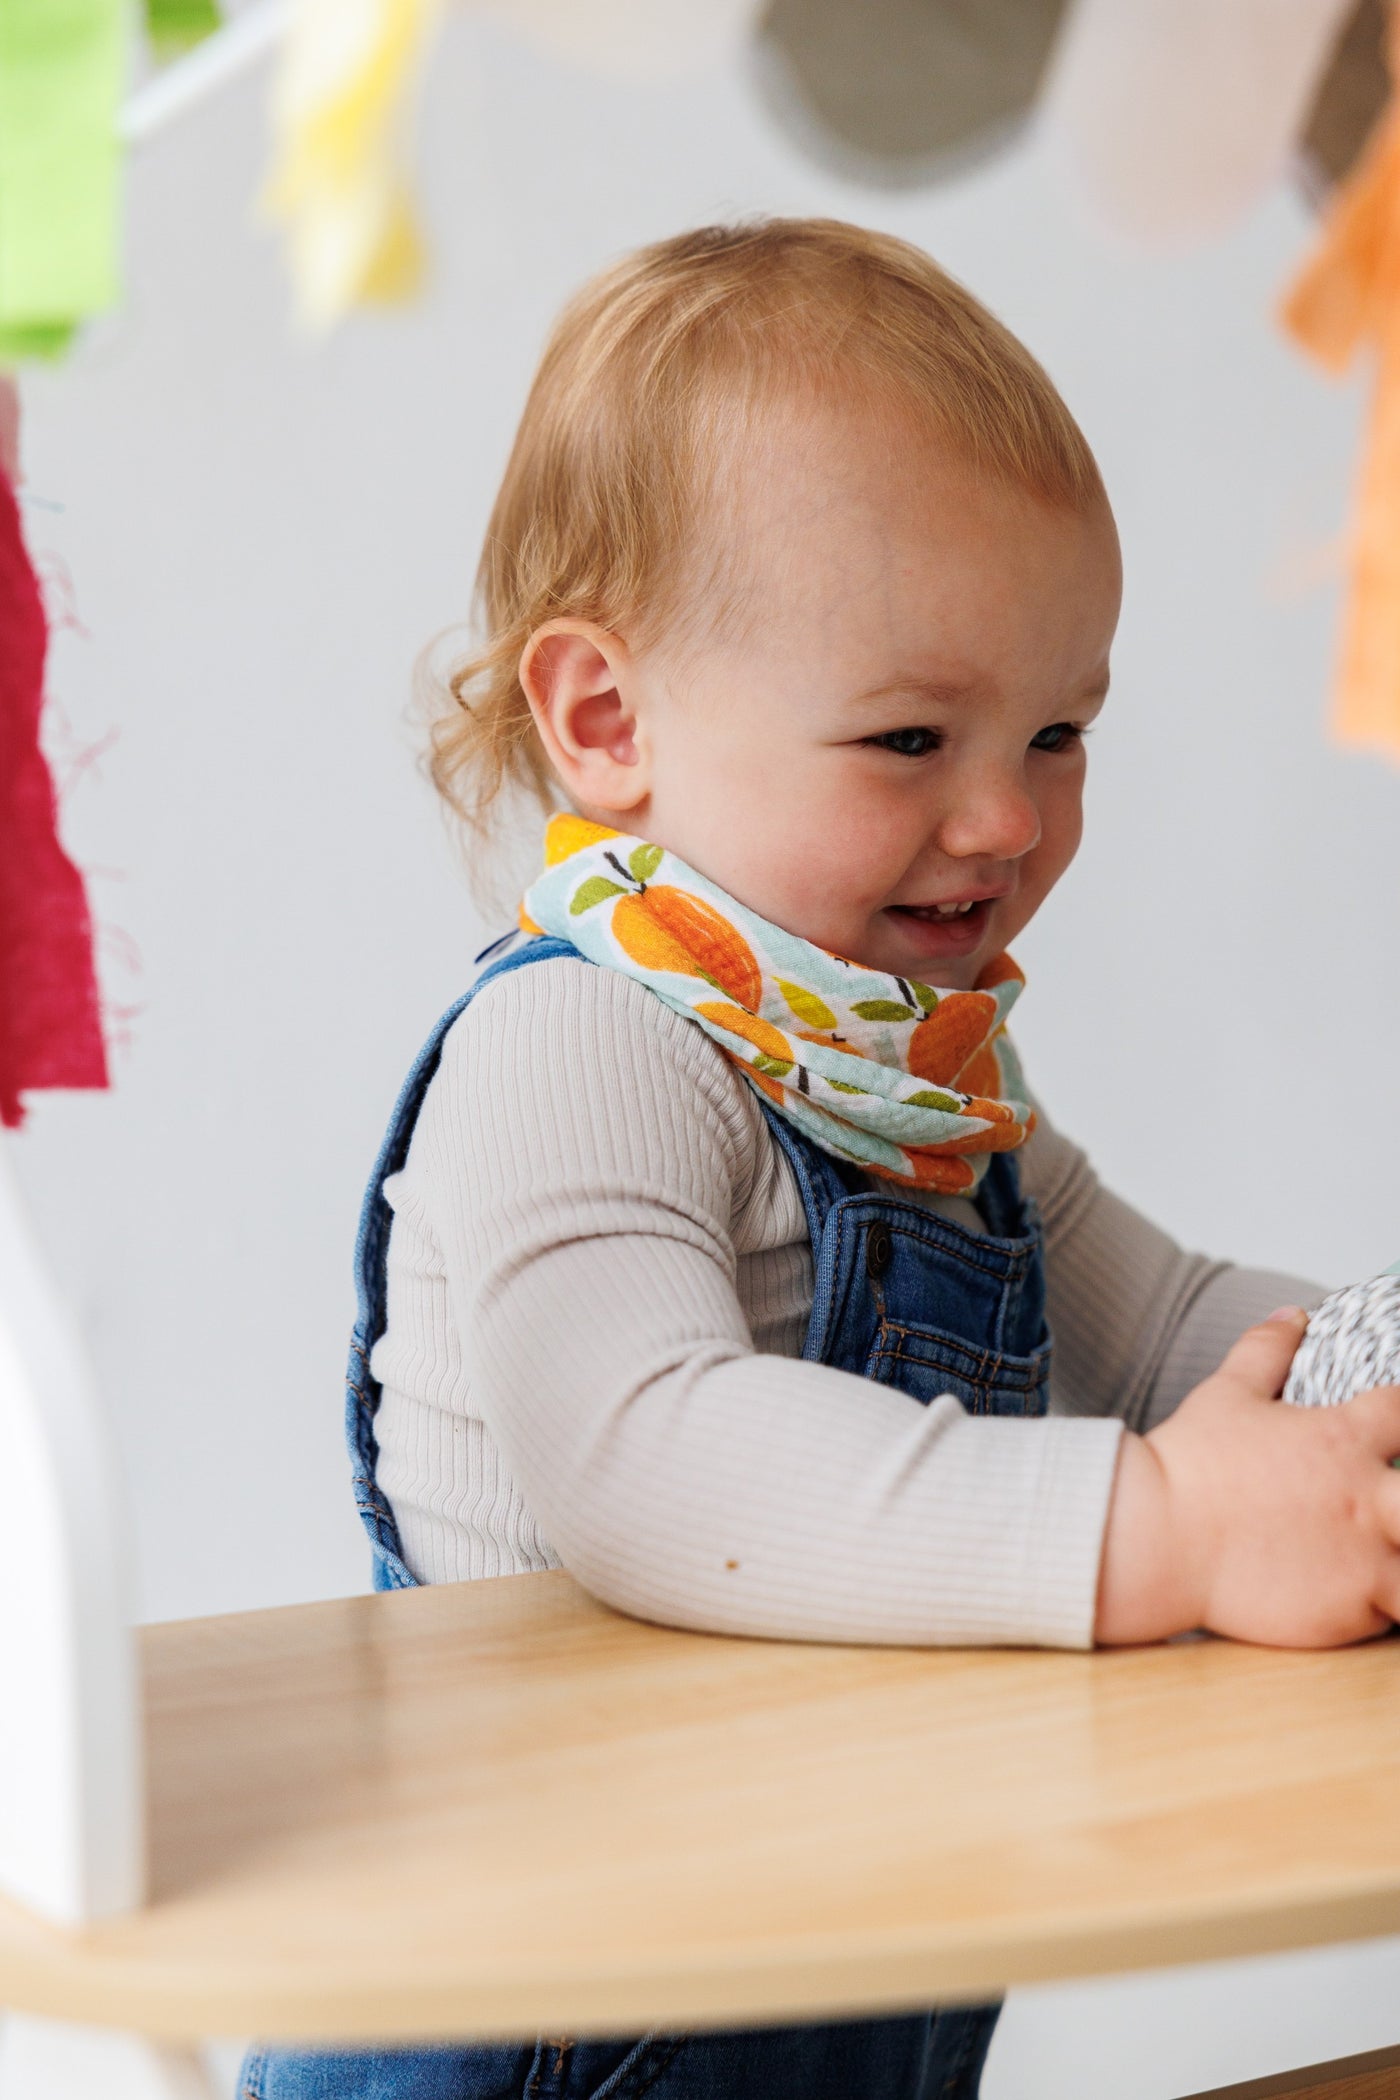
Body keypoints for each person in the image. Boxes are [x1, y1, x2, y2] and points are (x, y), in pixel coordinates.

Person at [241, 218, 1400, 2100]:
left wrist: (1362, 1383)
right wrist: (1169, 1526)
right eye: (909, 735)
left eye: (1058, 730)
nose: (1009, 814)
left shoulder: (904, 1083)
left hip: (816, 1984)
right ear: (606, 721)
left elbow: (1178, 1323)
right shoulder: (584, 1047)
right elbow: (641, 1452)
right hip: (550, 2027)